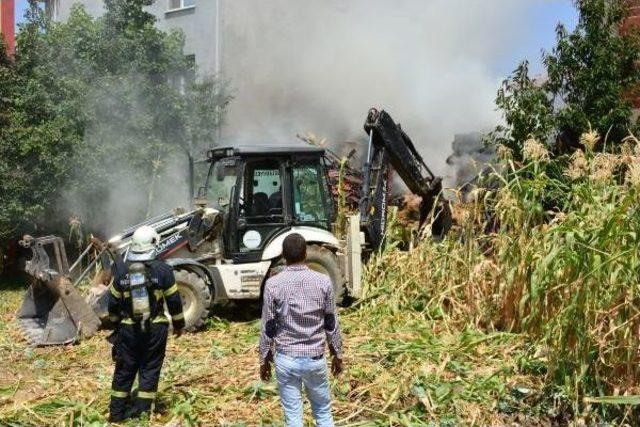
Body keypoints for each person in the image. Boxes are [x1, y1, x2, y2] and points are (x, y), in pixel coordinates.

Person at [259, 233, 343, 427]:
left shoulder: (273, 284)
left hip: (286, 360)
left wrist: (264, 359)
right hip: (315, 359)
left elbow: (268, 326)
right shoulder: (323, 282)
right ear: (305, 253)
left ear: (283, 255)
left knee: (293, 416)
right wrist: (337, 354)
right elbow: (331, 322)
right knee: (322, 412)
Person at [107, 225, 185, 422]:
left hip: (128, 330)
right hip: (155, 329)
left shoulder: (122, 270)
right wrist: (178, 324)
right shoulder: (164, 270)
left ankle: (116, 416)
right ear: (154, 244)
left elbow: (113, 304)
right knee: (149, 370)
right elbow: (174, 301)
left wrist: (117, 325)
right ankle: (141, 417)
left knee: (124, 371)